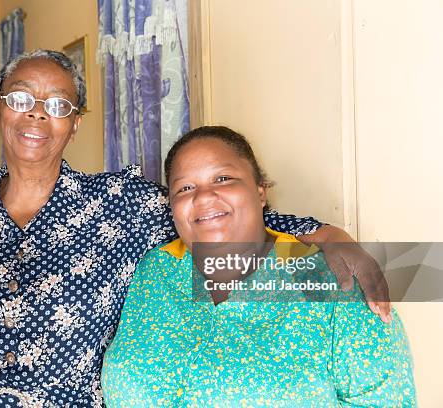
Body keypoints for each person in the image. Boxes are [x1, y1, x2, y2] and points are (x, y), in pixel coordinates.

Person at [0, 50, 390, 407]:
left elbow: (209, 214)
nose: (39, 113)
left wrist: (326, 234)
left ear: (76, 125)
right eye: (21, 97)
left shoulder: (120, 203)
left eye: (60, 105)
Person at [101, 126, 415, 407]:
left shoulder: (334, 282)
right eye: (184, 188)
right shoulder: (155, 271)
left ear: (260, 191)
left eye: (222, 179)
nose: (204, 196)